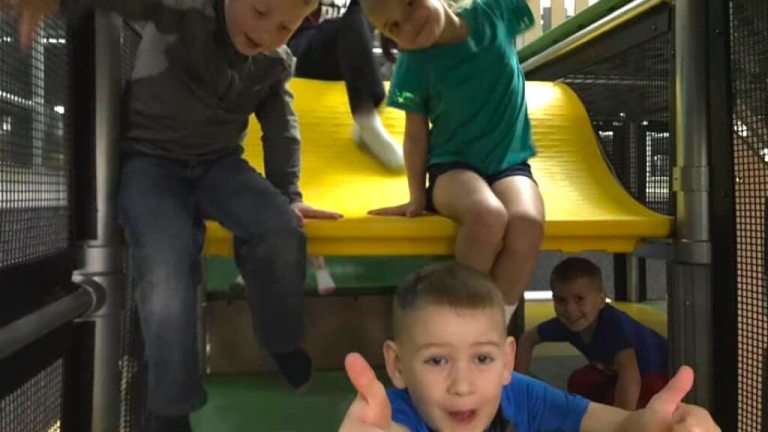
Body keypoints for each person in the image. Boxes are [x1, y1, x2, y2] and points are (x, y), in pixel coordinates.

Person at [8, 0, 342, 431]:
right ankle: (170, 407)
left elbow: (281, 127)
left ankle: (279, 339)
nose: (269, 31)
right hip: (152, 163)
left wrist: (288, 194)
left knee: (280, 228)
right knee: (166, 268)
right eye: (260, 11)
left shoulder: (274, 62)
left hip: (219, 165)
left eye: (286, 25)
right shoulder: (185, 11)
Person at [338, 261, 720, 432]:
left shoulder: (517, 395)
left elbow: (620, 423)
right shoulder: (394, 419)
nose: (463, 384)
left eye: (483, 358)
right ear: (398, 365)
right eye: (437, 360)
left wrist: (655, 427)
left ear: (507, 361)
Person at [364, 0, 545, 327]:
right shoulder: (415, 63)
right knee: (487, 216)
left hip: (509, 163)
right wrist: (417, 196)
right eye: (394, 27)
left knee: (527, 222)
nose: (408, 24)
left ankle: (493, 330)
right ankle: (460, 323)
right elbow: (416, 135)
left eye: (410, 5)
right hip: (453, 168)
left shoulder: (494, 11)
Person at [515, 257, 669, 410]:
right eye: (561, 301)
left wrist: (621, 423)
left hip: (657, 374)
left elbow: (631, 377)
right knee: (580, 381)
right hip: (618, 374)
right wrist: (516, 392)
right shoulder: (567, 322)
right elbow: (527, 339)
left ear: (601, 300)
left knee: (621, 399)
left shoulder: (613, 326)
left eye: (579, 299)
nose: (570, 309)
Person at [288, 0, 404, 171]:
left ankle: (369, 114)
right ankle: (367, 119)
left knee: (361, 8)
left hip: (351, 51)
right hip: (306, 47)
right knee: (347, 20)